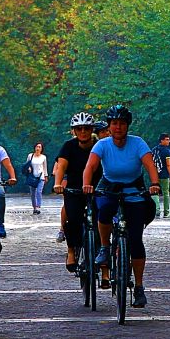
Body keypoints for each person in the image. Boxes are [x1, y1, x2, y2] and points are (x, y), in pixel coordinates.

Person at [82, 105, 160, 308]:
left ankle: (139, 287)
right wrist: (87, 184)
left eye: (122, 124)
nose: (118, 127)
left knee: (135, 239)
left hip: (133, 188)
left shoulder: (138, 143)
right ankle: (105, 248)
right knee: (105, 209)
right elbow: (90, 166)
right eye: (114, 124)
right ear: (109, 127)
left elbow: (149, 164)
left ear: (128, 126)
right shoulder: (102, 145)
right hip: (109, 186)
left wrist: (154, 184)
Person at [54, 113, 104, 280]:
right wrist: (58, 183)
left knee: (102, 220)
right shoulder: (68, 146)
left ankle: (100, 251)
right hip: (75, 188)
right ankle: (71, 250)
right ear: (74, 131)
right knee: (73, 218)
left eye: (87, 128)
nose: (83, 132)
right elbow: (61, 166)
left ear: (92, 130)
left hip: (97, 188)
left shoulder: (99, 145)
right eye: (79, 129)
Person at [152, 133, 170, 218]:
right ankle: (166, 212)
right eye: (167, 139)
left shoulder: (154, 149)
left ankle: (156, 210)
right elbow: (168, 165)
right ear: (162, 140)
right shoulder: (166, 151)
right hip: (164, 174)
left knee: (155, 192)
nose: (169, 141)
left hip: (155, 174)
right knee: (166, 193)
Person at [25, 142, 48, 215]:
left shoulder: (43, 157)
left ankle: (38, 206)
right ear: (35, 148)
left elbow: (45, 167)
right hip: (32, 176)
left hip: (41, 177)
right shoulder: (30, 156)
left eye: (39, 147)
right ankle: (34, 207)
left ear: (41, 149)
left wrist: (46, 176)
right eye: (37, 147)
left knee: (39, 192)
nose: (38, 148)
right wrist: (28, 168)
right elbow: (27, 164)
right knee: (32, 193)